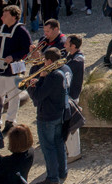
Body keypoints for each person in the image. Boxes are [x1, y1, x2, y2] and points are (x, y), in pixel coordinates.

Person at [0, 4, 31, 132]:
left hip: (13, 70)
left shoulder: (21, 31)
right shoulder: (1, 29)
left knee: (13, 96)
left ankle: (10, 121)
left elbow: (27, 50)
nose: (2, 17)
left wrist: (14, 56)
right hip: (0, 69)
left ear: (14, 17)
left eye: (5, 15)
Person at [28, 48, 70, 184]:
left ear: (50, 61)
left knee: (48, 147)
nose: (43, 62)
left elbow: (38, 96)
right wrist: (41, 80)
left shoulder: (52, 76)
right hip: (58, 114)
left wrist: (31, 85)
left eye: (45, 60)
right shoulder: (61, 72)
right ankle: (62, 171)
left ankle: (52, 177)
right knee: (58, 143)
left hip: (47, 116)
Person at [63, 35, 86, 162]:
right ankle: (70, 150)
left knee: (71, 126)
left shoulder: (77, 60)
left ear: (73, 46)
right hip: (69, 95)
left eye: (67, 44)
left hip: (72, 96)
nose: (64, 45)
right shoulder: (71, 57)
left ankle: (74, 153)